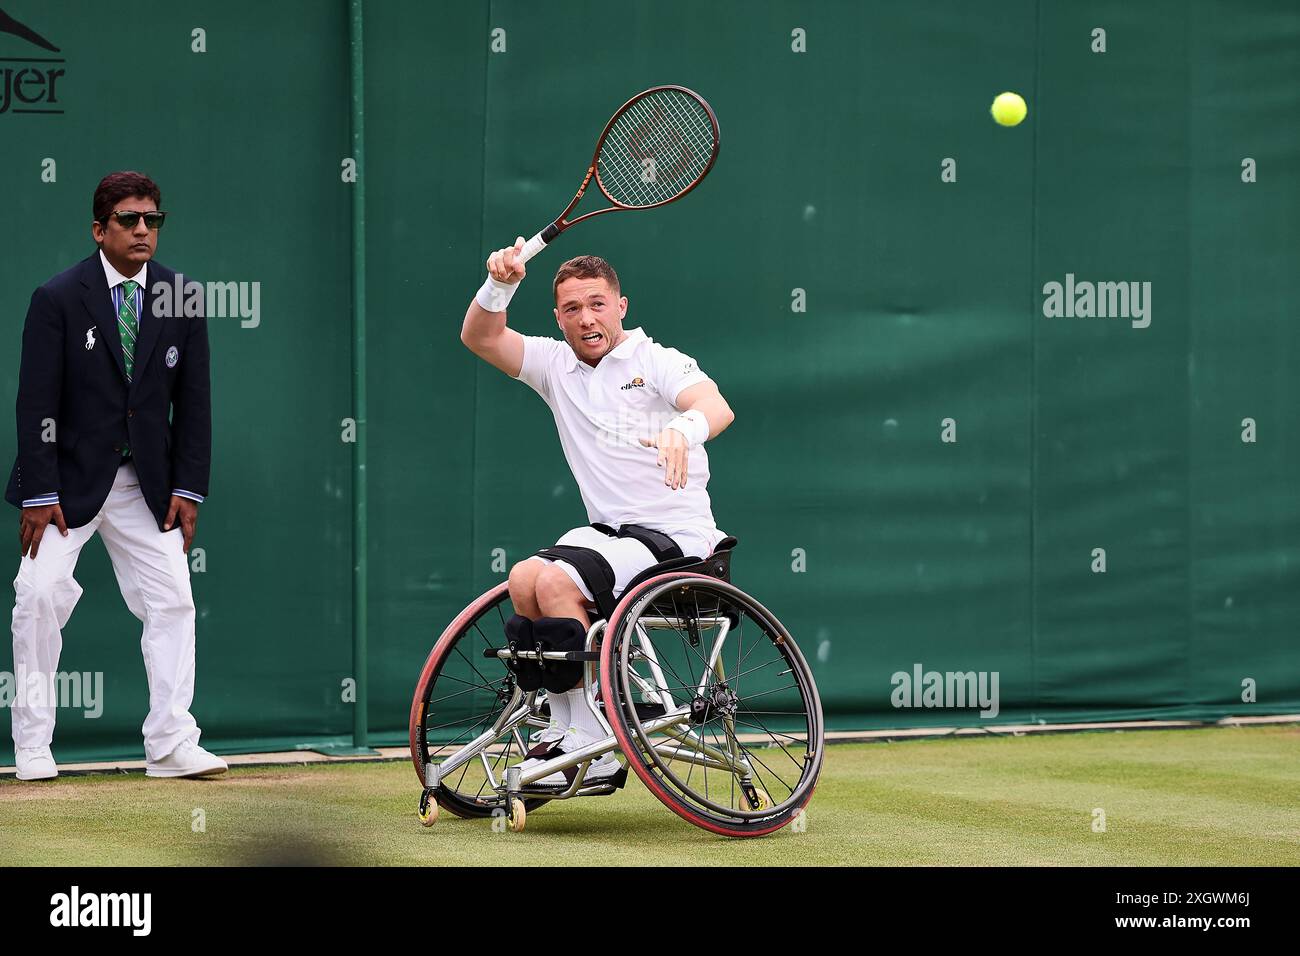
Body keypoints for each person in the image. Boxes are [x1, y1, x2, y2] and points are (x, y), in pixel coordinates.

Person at [460, 237, 735, 786]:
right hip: (609, 537)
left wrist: (683, 429)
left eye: (597, 304)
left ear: (621, 306)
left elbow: (715, 406)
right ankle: (570, 728)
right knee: (524, 578)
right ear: (557, 316)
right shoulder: (553, 365)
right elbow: (480, 336)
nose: (586, 319)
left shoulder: (657, 360)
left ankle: (597, 746)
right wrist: (500, 283)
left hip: (678, 540)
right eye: (571, 308)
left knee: (559, 583)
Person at [4, 171, 225, 780]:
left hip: (146, 485)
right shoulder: (57, 297)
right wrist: (40, 492)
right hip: (64, 487)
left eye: (152, 220)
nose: (142, 230)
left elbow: (196, 400)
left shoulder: (181, 296)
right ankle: (32, 744)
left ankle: (171, 743)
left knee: (174, 600)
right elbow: (36, 402)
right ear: (99, 229)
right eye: (128, 220)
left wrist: (187, 487)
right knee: (40, 595)